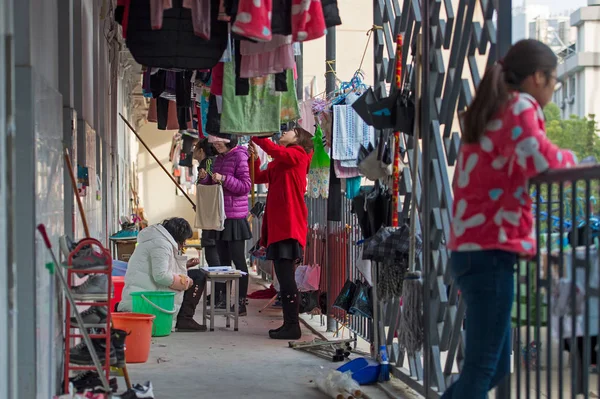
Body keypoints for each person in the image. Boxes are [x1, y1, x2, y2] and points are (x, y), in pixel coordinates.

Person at [444, 39, 577, 398]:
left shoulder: (495, 108)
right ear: (537, 77)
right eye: (554, 81)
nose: (553, 89)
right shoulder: (520, 106)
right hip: (489, 250)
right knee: (483, 369)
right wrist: (573, 162)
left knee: (495, 367)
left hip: (475, 248)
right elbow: (541, 159)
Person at [248, 124, 314, 339]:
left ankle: (292, 325)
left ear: (299, 139)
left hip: (288, 226)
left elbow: (276, 151)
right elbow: (258, 177)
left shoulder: (298, 155)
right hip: (279, 227)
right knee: (284, 278)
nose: (284, 132)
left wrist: (259, 138)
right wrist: (255, 157)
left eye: (290, 130)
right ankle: (289, 324)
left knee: (286, 280)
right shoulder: (281, 161)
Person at [118, 217, 207, 332]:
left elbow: (160, 268)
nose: (184, 244)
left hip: (144, 295)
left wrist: (185, 266)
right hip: (146, 300)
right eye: (184, 240)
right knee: (197, 277)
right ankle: (185, 318)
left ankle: (185, 318)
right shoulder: (161, 244)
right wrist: (183, 282)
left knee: (197, 274)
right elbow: (161, 275)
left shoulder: (158, 240)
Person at [199, 133, 252, 315]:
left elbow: (245, 186)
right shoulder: (217, 159)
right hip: (219, 216)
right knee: (222, 262)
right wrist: (206, 178)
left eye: (220, 141)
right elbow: (214, 184)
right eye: (214, 142)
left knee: (238, 261)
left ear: (229, 139)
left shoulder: (239, 156)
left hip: (235, 217)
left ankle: (240, 303)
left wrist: (224, 179)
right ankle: (222, 299)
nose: (217, 145)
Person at [193, 138, 221, 267]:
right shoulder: (213, 161)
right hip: (213, 213)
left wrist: (202, 207)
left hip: (211, 215)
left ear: (201, 151)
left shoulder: (208, 163)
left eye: (195, 147)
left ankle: (219, 285)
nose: (193, 150)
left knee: (212, 252)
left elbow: (211, 188)